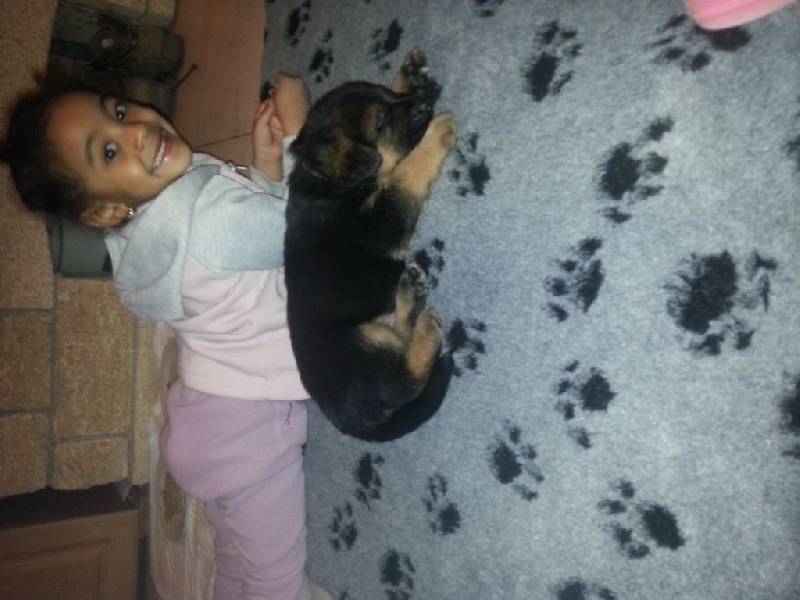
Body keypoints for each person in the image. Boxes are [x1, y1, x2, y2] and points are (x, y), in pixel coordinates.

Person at [1, 74, 329, 600]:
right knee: (276, 578)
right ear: (105, 211)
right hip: (247, 429)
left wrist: (266, 167)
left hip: (208, 426)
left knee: (235, 557)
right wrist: (300, 133)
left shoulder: (146, 229)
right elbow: (311, 231)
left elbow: (251, 238)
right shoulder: (204, 224)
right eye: (109, 152)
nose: (135, 131)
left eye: (118, 111)